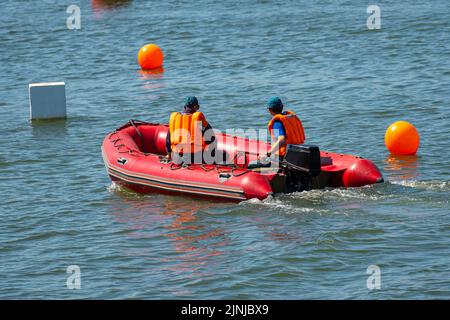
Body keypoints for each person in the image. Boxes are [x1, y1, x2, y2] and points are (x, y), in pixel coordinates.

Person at [166, 96, 215, 164]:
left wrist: (169, 155)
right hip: (194, 157)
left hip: (176, 156)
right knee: (222, 154)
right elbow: (211, 138)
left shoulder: (174, 119)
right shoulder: (198, 119)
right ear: (196, 107)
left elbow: (167, 142)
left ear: (184, 107)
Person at [260, 96, 305, 161]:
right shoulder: (290, 118)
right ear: (282, 107)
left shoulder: (277, 122)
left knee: (252, 165)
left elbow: (281, 140)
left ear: (270, 110)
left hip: (285, 156)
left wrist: (267, 154)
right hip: (298, 151)